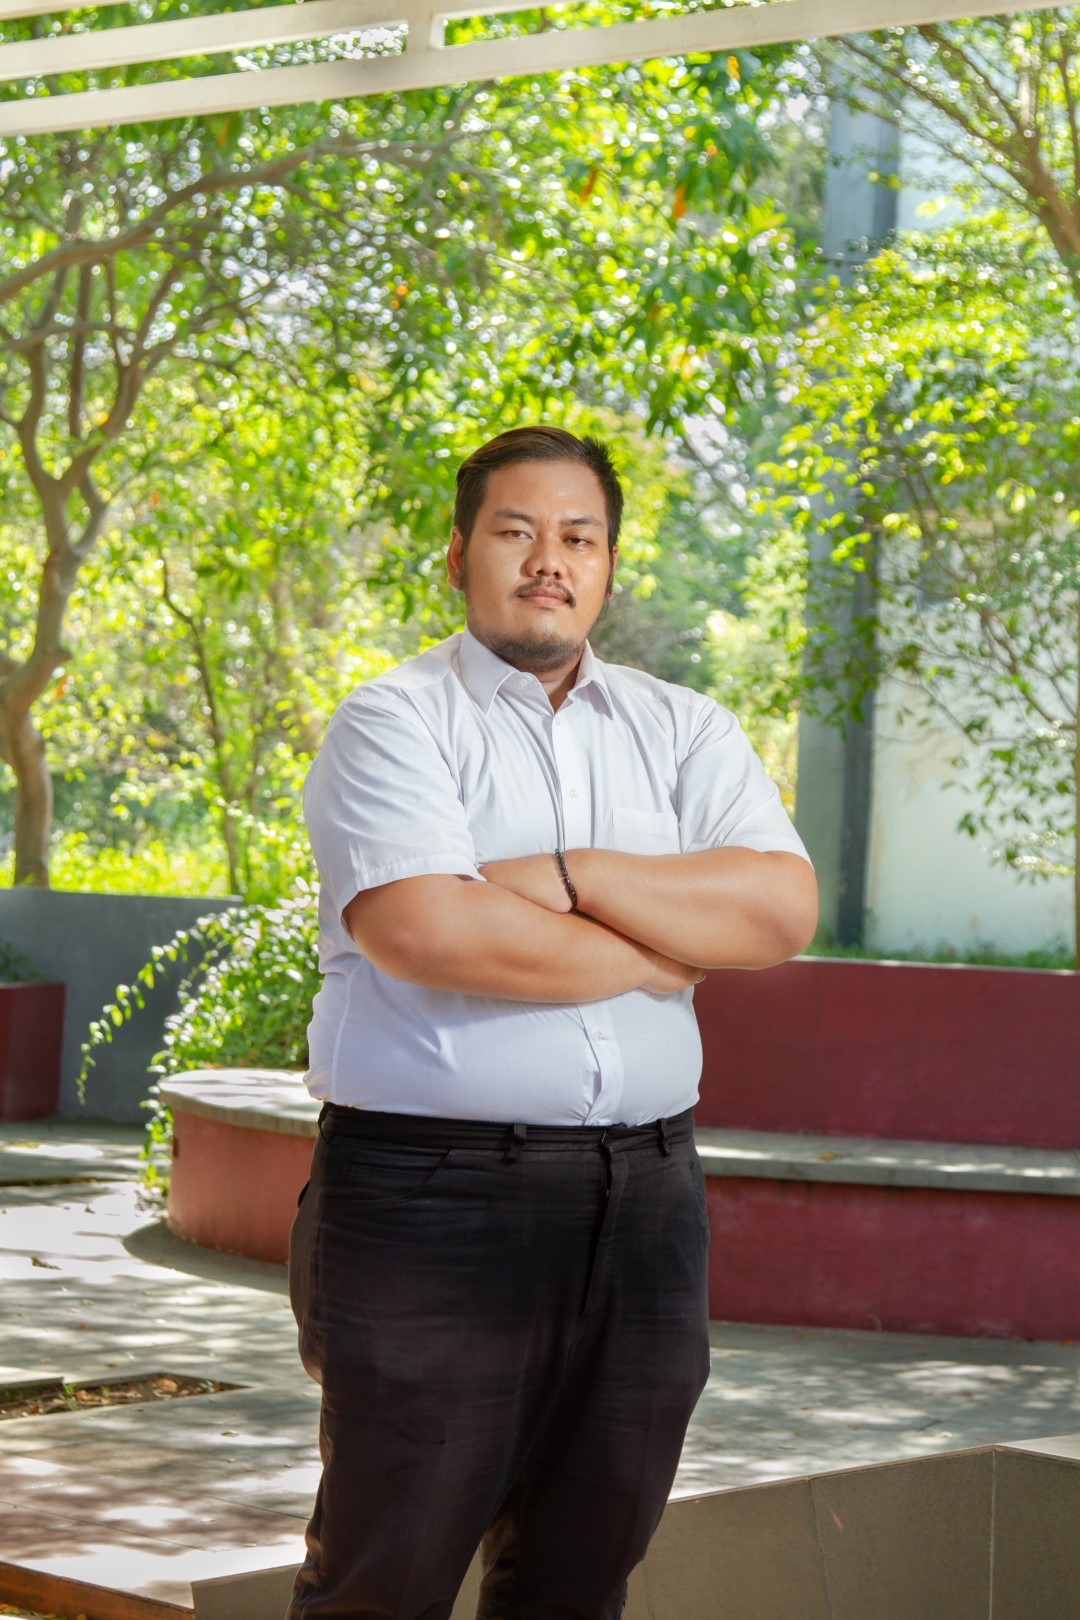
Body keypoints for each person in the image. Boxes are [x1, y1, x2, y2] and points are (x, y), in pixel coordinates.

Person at [287, 425, 817, 1620]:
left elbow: (779, 909)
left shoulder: (685, 728)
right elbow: (430, 931)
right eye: (516, 531)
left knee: (582, 1574)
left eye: (579, 537)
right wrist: (667, 945)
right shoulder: (395, 721)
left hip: (648, 1204)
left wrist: (571, 873)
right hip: (433, 1200)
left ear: (609, 565)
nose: (549, 561)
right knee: (386, 1576)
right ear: (459, 554)